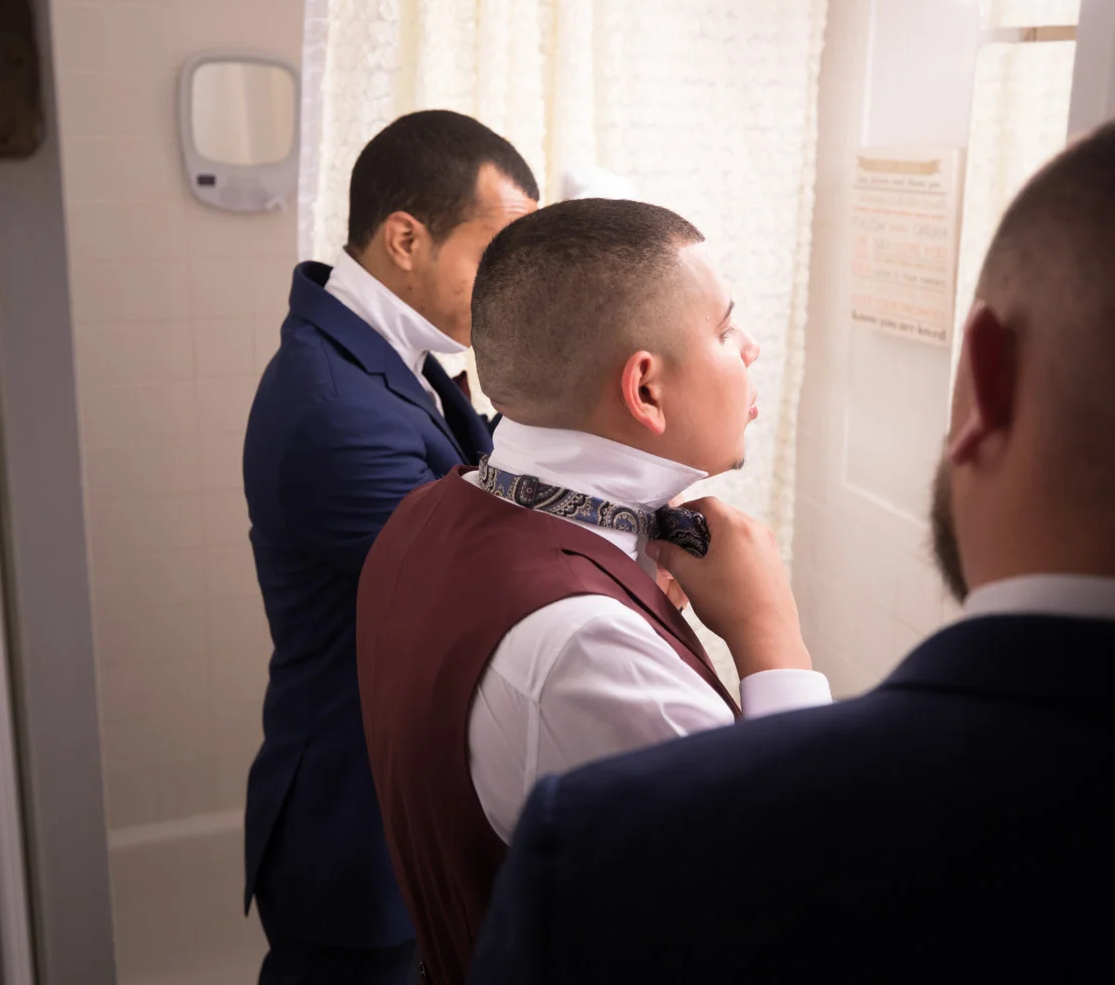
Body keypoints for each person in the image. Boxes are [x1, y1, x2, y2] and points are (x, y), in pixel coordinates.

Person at [471, 106, 1115, 982]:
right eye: (729, 331)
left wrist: (773, 647)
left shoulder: (616, 843)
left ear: (984, 377)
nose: (750, 348)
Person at [354, 199, 833, 984]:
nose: (750, 347)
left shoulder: (422, 514)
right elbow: (805, 897)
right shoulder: (586, 644)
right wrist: (770, 636)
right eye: (724, 330)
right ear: (645, 389)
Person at [241, 110, 537, 985]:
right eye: (494, 255)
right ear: (405, 239)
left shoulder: (394, 351)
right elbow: (475, 594)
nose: (511, 287)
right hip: (360, 825)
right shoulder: (336, 410)